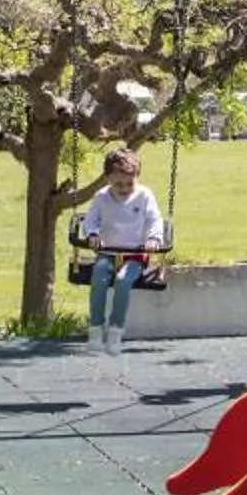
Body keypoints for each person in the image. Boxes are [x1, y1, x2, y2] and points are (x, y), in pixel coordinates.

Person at [76, 146, 165, 355]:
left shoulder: (144, 196)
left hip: (135, 254)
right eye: (118, 184)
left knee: (124, 281)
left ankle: (116, 330)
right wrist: (92, 234)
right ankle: (96, 329)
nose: (124, 188)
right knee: (99, 277)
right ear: (107, 179)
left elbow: (155, 219)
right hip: (108, 251)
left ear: (137, 177)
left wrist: (154, 238)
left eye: (129, 183)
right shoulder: (101, 197)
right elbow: (90, 221)